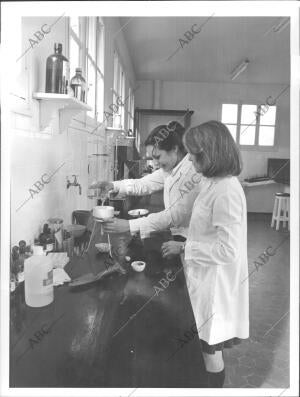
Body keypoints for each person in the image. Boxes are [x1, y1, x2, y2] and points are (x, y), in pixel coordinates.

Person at [161, 121, 249, 388]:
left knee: (210, 353)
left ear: (212, 153)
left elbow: (228, 249)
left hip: (216, 287)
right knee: (204, 348)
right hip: (204, 276)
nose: (189, 158)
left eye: (195, 154)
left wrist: (184, 247)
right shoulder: (212, 182)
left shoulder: (227, 191)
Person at [92, 121, 204, 241]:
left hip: (192, 239)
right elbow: (144, 183)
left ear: (174, 149)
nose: (155, 163)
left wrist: (129, 225)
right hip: (181, 235)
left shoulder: (192, 172)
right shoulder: (172, 168)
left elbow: (174, 216)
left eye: (158, 157)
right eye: (152, 158)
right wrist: (113, 185)